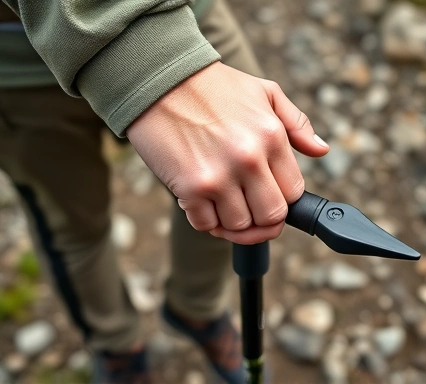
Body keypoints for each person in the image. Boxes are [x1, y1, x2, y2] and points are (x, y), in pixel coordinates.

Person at [0, 0, 329, 382]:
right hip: (19, 67)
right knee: (72, 228)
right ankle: (116, 346)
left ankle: (198, 308)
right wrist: (152, 60)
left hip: (188, 16)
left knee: (243, 187)